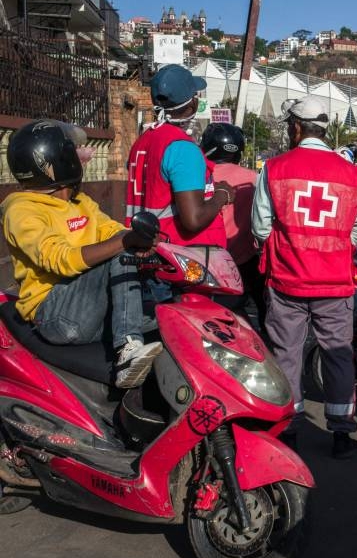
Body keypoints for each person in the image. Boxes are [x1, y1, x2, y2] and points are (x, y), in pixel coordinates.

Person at [251, 97, 357, 458]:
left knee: (286, 355)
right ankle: (340, 433)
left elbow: (259, 226)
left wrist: (280, 245)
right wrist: (338, 244)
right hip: (335, 283)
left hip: (286, 281)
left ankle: (288, 430)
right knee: (338, 355)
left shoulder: (274, 168)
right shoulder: (352, 174)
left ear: (296, 127)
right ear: (325, 129)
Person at [1, 121, 161, 388]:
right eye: (73, 153)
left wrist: (141, 242)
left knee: (167, 317)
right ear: (56, 162)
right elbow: (62, 259)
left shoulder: (80, 202)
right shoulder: (21, 211)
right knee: (119, 254)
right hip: (54, 313)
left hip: (88, 314)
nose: (82, 158)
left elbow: (112, 230)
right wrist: (126, 243)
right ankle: (127, 353)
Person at [127, 64, 233, 248]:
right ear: (192, 104)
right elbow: (194, 219)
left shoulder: (142, 141)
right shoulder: (183, 148)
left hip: (147, 248)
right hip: (181, 255)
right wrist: (222, 195)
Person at [200, 123, 266, 331]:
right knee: (266, 310)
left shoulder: (199, 176)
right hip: (249, 260)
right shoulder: (256, 179)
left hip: (210, 260)